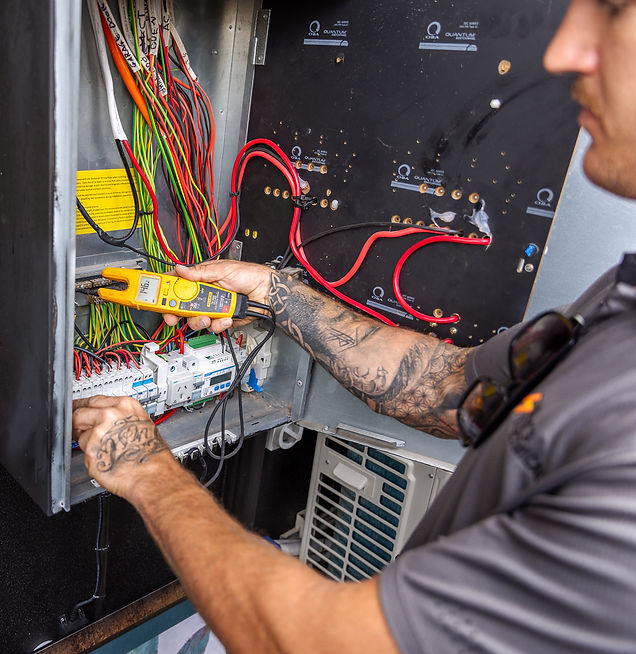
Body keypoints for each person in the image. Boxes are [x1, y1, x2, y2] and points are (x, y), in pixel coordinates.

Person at [72, 1, 636, 651]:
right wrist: (275, 293)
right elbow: (448, 385)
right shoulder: (620, 307)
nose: (563, 50)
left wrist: (146, 470)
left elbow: (316, 642)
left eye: (615, 9)